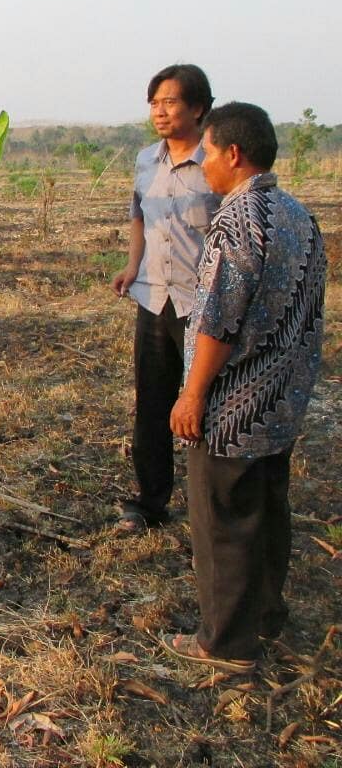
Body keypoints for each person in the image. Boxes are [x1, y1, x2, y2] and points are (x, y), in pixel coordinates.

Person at [161, 102, 326, 673]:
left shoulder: (236, 221)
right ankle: (263, 616)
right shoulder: (298, 215)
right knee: (266, 512)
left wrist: (192, 394)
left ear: (233, 154)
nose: (203, 163)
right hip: (281, 403)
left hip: (234, 407)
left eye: (207, 152)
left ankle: (225, 642)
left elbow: (217, 320)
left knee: (224, 521)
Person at [110, 64, 220, 532]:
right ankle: (151, 502)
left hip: (205, 305)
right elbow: (139, 218)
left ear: (198, 108)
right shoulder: (144, 161)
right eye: (154, 102)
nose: (160, 111)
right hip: (154, 297)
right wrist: (133, 266)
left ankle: (211, 508)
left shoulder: (218, 164)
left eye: (170, 102)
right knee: (152, 404)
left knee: (208, 405)